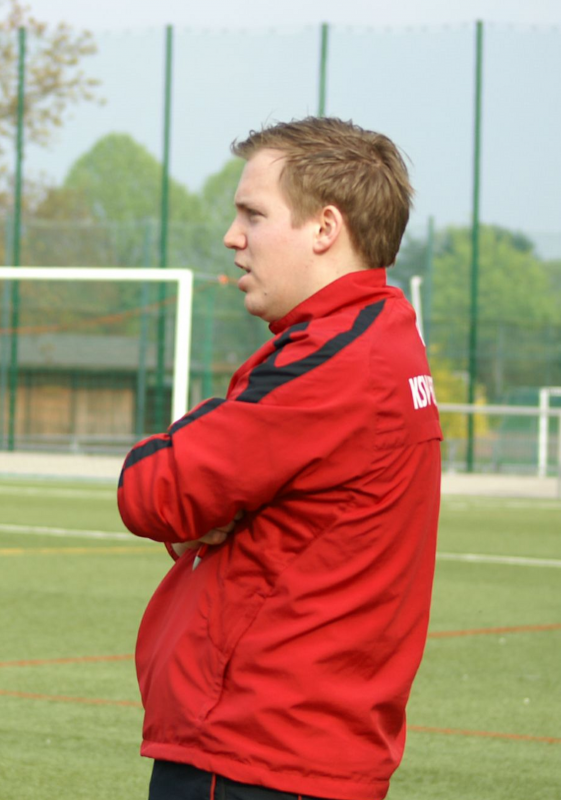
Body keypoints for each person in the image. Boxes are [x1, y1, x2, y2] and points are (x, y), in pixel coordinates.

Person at [118, 117, 442, 800]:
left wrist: (186, 441)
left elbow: (155, 491)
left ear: (324, 228)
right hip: (301, 747)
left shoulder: (334, 360)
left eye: (253, 214)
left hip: (254, 754)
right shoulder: (382, 333)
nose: (232, 236)